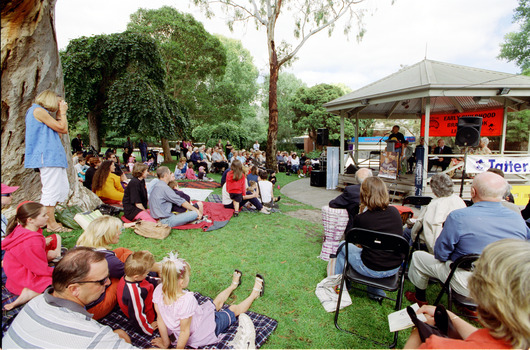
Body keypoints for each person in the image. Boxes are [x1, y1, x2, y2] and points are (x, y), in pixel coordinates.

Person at [406, 172, 530, 309]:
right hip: (507, 283)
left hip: (469, 282)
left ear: (472, 191)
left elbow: (440, 253)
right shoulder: (518, 219)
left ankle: (420, 299)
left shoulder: (458, 217)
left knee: (418, 257)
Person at [404, 239, 530, 349]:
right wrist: (451, 317)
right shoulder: (519, 338)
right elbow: (487, 341)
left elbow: (441, 252)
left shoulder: (437, 346)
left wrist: (418, 330)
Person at [2, 247, 136, 348]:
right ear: (74, 289)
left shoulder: (35, 303)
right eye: (102, 280)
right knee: (122, 336)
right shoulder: (94, 336)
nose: (107, 282)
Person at [151, 252, 264, 349]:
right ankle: (255, 294)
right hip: (204, 330)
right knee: (233, 309)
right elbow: (185, 331)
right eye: (188, 276)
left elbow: (160, 319)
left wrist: (166, 343)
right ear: (181, 282)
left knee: (215, 304)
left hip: (198, 318)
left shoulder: (159, 290)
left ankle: (233, 286)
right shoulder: (186, 300)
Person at [334, 176, 405, 300]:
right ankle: (376, 294)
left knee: (343, 246)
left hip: (370, 268)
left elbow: (355, 241)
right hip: (394, 268)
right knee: (376, 250)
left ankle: (340, 287)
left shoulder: (362, 219)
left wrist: (361, 212)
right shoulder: (395, 212)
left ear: (364, 195)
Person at [24, 90, 71, 233]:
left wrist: (58, 116)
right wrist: (62, 113)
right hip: (47, 156)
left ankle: (49, 218)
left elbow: (60, 133)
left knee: (61, 190)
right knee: (51, 190)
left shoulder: (43, 114)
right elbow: (63, 128)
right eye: (58, 103)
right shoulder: (37, 110)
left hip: (55, 156)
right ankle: (50, 224)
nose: (59, 106)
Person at [2, 201, 61, 310]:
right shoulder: (32, 241)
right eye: (44, 215)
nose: (47, 217)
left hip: (14, 277)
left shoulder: (21, 229)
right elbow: (39, 269)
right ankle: (28, 294)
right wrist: (58, 272)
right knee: (63, 284)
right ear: (30, 220)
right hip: (23, 280)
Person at [76, 216, 135, 319]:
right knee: (123, 278)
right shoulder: (106, 260)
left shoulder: (79, 249)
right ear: (107, 234)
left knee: (121, 251)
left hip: (79, 297)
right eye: (117, 231)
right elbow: (132, 274)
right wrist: (154, 271)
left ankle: (138, 262)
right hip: (93, 308)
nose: (120, 233)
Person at [403, 173, 467, 252]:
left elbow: (424, 229)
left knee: (407, 231)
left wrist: (414, 231)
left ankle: (406, 258)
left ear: (434, 190)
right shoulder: (459, 200)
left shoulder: (435, 205)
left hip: (435, 244)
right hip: (455, 239)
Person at [117, 250, 159, 336]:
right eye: (146, 273)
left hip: (148, 301)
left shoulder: (129, 276)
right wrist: (148, 329)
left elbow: (147, 280)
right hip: (148, 316)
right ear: (136, 277)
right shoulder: (134, 293)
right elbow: (137, 317)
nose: (147, 274)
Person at [328, 168, 372, 234]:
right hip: (377, 229)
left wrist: (348, 205)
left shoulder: (351, 190)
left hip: (355, 230)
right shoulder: (380, 190)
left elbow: (333, 204)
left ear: (356, 179)